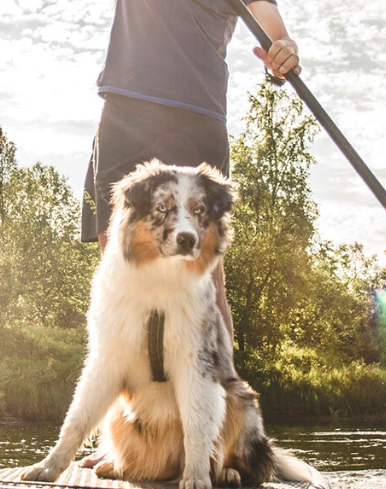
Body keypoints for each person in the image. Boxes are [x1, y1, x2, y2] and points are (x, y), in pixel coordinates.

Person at [80, 0, 300, 336]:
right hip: (126, 110)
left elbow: (267, 19)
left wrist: (282, 48)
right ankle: (135, 388)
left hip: (196, 117)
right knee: (122, 280)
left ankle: (219, 387)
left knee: (205, 290)